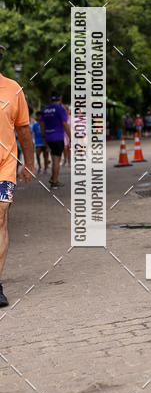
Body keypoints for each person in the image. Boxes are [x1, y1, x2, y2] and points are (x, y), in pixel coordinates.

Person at [0, 51, 35, 306]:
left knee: (0, 217)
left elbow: (23, 129)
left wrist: (29, 163)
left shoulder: (13, 89)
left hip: (4, 166)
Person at [40, 91, 71, 188]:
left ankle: (53, 178)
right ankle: (54, 182)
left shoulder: (45, 109)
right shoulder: (60, 109)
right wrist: (70, 137)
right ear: (60, 98)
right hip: (58, 137)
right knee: (56, 160)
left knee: (54, 159)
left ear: (51, 99)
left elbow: (42, 124)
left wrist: (44, 137)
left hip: (48, 138)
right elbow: (65, 124)